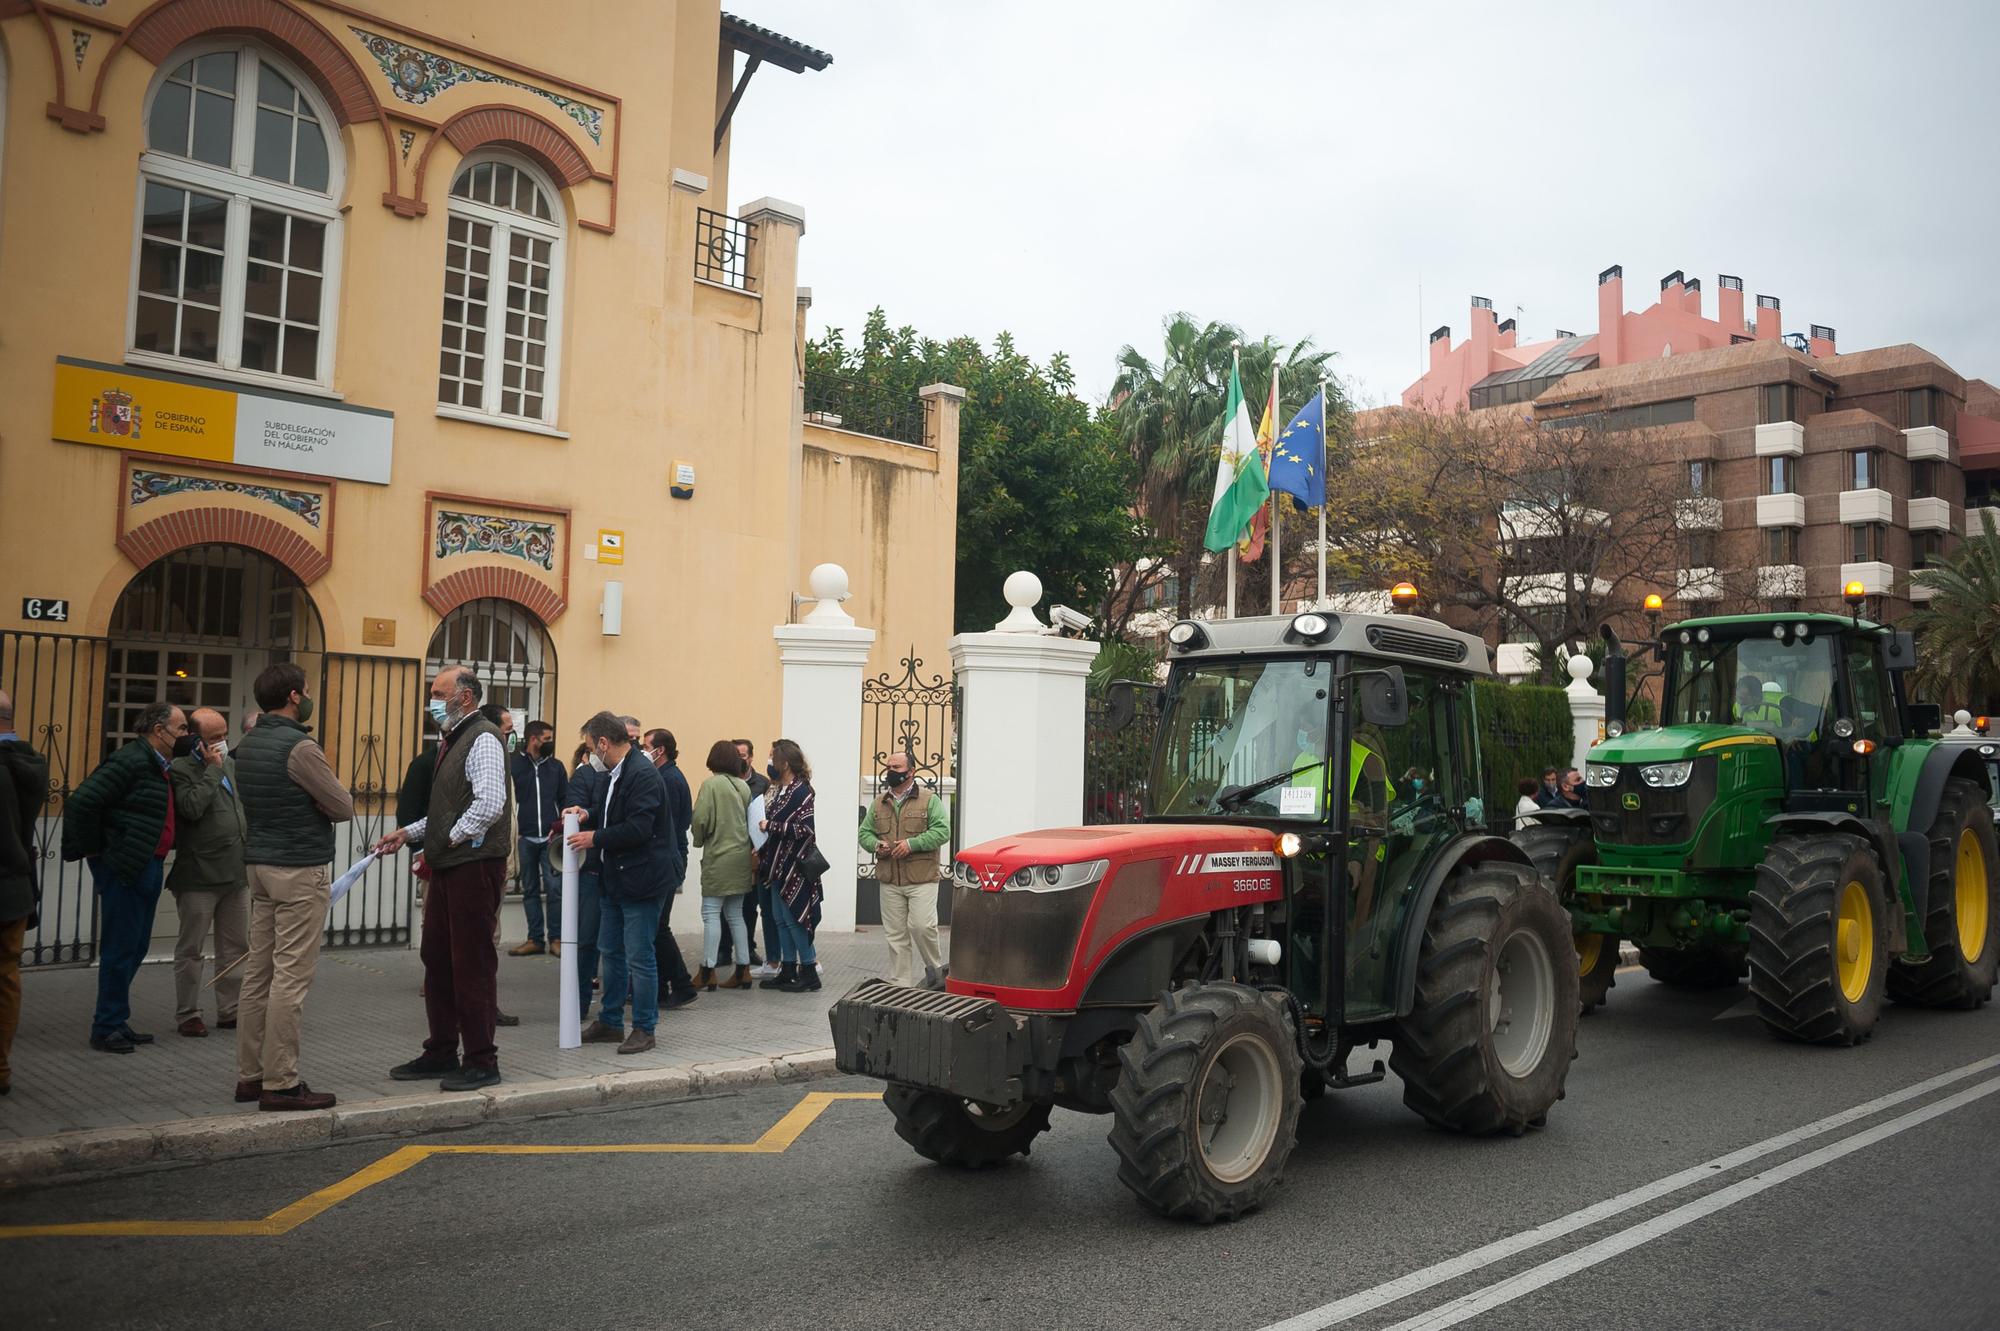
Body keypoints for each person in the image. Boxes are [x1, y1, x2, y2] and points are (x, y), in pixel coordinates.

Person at [374, 667, 513, 1093]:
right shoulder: (452, 740)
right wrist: (410, 833)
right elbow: (449, 807)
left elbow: (490, 804)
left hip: (472, 865)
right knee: (437, 959)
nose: (432, 702)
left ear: (465, 698)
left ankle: (480, 1059)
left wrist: (449, 838)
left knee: (471, 964)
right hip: (451, 863)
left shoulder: (483, 738)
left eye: (439, 693)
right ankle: (439, 1050)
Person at [234, 665, 353, 1111]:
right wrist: (319, 803)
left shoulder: (248, 745)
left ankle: (250, 1075)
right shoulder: (300, 746)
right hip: (299, 867)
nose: (308, 697)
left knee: (258, 973)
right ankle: (281, 1082)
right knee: (290, 977)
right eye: (305, 692)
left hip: (260, 864)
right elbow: (342, 805)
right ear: (291, 696)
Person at [62, 701, 186, 1054]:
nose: (184, 736)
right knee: (120, 947)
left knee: (136, 945)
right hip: (128, 866)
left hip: (146, 864)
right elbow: (82, 802)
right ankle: (106, 1025)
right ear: (158, 731)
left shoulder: (158, 765)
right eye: (180, 729)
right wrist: (97, 855)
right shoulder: (131, 760)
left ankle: (116, 1019)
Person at [568, 711, 672, 1054]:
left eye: (590, 747)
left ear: (603, 743)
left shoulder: (642, 774)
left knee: (639, 957)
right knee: (610, 951)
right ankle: (610, 1021)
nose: (589, 756)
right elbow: (613, 812)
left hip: (641, 879)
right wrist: (587, 815)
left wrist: (594, 837)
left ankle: (645, 1028)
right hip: (616, 878)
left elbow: (638, 828)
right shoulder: (615, 773)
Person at [165, 707, 249, 1039]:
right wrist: (212, 771)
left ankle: (230, 1010)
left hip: (235, 872)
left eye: (224, 735)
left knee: (235, 946)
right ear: (196, 740)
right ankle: (188, 1013)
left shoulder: (232, 764)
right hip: (198, 874)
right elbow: (191, 807)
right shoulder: (181, 769)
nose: (222, 743)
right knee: (191, 948)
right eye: (214, 738)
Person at [858, 749, 950, 988]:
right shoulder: (880, 802)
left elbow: (942, 831)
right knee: (895, 935)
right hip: (890, 879)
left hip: (921, 878)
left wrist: (912, 844)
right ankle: (901, 984)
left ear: (911, 772)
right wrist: (876, 845)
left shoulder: (930, 800)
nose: (890, 772)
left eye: (896, 768)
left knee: (922, 926)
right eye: (888, 767)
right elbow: (864, 833)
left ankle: (936, 972)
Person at [1, 689, 49, 1096]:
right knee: (7, 977)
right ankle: (1, 1067)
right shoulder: (29, 761)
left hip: (7, 878)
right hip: (17, 884)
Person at [689, 740, 755, 991]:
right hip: (740, 858)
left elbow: (701, 819)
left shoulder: (710, 785)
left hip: (718, 857)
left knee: (710, 913)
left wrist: (699, 838)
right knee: (736, 915)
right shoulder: (743, 786)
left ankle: (707, 970)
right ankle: (743, 969)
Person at [760, 740, 823, 993]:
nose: (769, 764)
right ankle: (787, 969)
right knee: (780, 919)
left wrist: (771, 827)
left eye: (772, 758)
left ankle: (808, 970)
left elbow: (806, 830)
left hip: (794, 865)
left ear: (784, 763)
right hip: (776, 864)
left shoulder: (802, 791)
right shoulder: (780, 789)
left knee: (795, 918)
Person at [644, 729, 698, 1010]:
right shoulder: (665, 777)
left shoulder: (670, 780)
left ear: (660, 750)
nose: (643, 751)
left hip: (669, 858)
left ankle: (681, 984)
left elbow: (672, 825)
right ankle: (664, 987)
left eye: (646, 746)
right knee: (657, 927)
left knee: (658, 928)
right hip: (670, 857)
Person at [508, 720, 567, 957]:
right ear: (533, 739)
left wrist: (561, 829)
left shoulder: (556, 767)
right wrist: (516, 830)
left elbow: (565, 800)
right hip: (524, 838)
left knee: (555, 889)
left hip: (551, 839)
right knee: (529, 889)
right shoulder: (513, 766)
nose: (550, 743)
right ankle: (535, 939)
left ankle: (556, 938)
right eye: (547, 739)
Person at [717, 738, 770, 972]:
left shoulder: (763, 784)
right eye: (735, 755)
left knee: (749, 905)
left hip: (752, 853)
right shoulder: (723, 783)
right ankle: (723, 950)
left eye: (743, 754)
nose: (740, 759)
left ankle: (747, 948)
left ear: (751, 757)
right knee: (723, 902)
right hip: (728, 851)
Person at [565, 740, 606, 1012]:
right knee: (587, 939)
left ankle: (613, 1007)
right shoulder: (584, 774)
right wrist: (588, 813)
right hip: (592, 867)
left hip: (620, 869)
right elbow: (576, 812)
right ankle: (578, 1003)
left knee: (617, 943)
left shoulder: (629, 773)